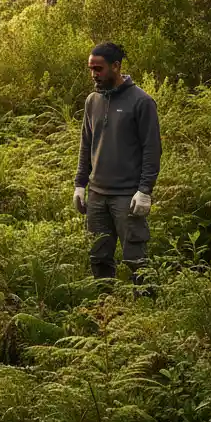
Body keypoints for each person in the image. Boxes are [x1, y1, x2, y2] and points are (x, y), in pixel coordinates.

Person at [74, 42, 161, 282]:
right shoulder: (92, 101)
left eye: (99, 69)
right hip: (97, 196)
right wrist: (80, 184)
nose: (94, 74)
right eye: (91, 69)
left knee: (137, 260)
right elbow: (86, 145)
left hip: (128, 197)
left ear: (116, 66)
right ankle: (107, 308)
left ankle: (146, 308)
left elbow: (152, 150)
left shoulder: (142, 102)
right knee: (99, 257)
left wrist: (145, 191)